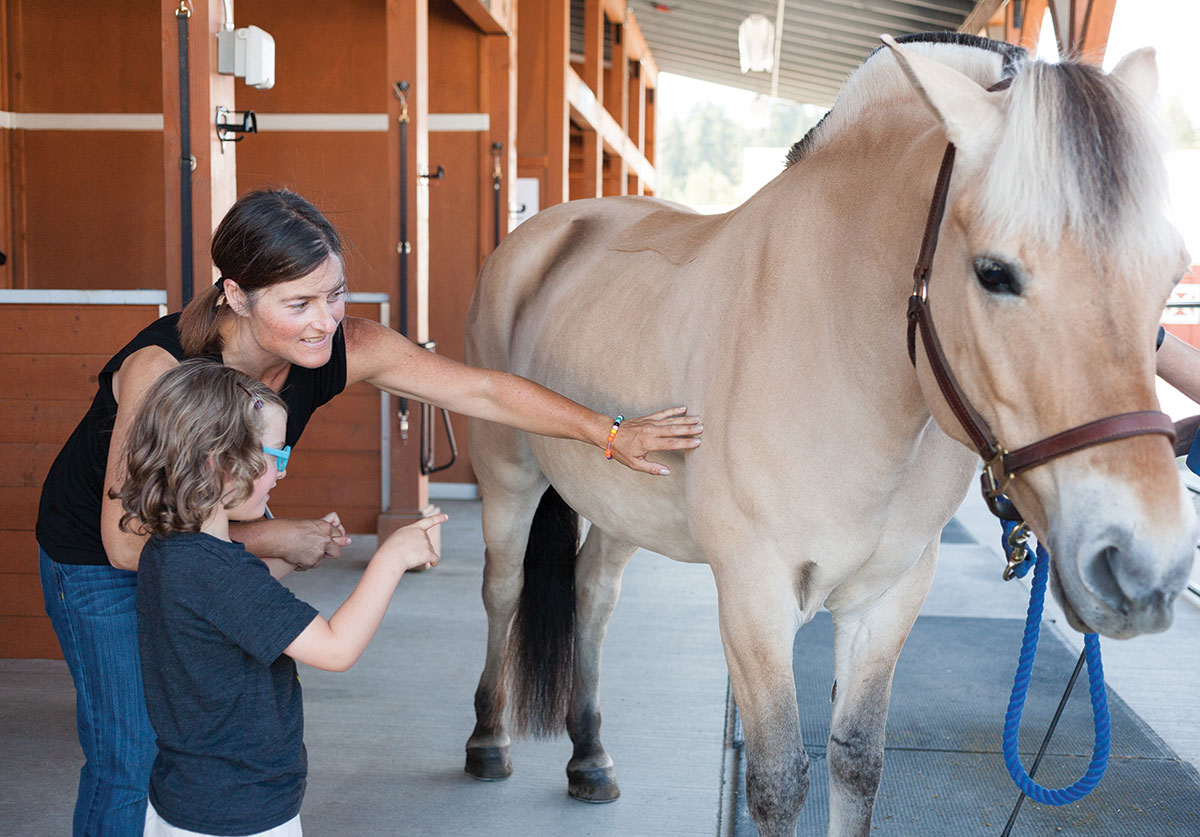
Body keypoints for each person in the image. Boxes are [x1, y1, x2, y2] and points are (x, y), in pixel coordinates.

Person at [35, 187, 704, 835]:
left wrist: (608, 432)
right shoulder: (161, 367)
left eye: (334, 293)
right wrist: (271, 537)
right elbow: (128, 543)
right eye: (298, 302)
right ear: (235, 294)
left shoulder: (334, 348)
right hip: (97, 558)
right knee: (130, 757)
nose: (325, 319)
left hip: (197, 549)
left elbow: (482, 390)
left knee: (195, 745)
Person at [115, 361, 444, 836]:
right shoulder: (223, 575)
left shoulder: (171, 552)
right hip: (242, 812)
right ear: (222, 461)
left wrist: (292, 558)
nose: (282, 472)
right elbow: (335, 649)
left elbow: (224, 609)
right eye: (277, 456)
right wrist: (390, 558)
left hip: (183, 799)